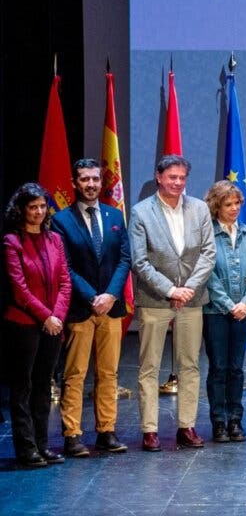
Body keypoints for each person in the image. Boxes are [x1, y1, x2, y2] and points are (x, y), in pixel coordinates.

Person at [129, 155, 216, 451]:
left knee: (189, 364)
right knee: (149, 366)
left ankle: (186, 426)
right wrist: (170, 289)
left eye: (182, 178)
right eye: (172, 178)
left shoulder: (200, 208)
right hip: (155, 298)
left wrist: (188, 288)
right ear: (159, 177)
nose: (177, 183)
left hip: (191, 299)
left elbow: (208, 253)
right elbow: (140, 262)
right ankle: (150, 430)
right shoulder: (141, 212)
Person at [49, 159, 131, 457]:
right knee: (75, 373)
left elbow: (124, 259)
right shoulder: (60, 220)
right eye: (85, 179)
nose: (91, 184)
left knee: (108, 373)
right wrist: (92, 297)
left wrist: (109, 295)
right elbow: (65, 266)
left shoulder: (114, 215)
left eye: (95, 179)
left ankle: (106, 432)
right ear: (75, 183)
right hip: (81, 309)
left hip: (110, 308)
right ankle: (72, 435)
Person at [3, 183, 71, 467]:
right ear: (21, 210)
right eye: (33, 207)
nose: (39, 212)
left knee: (45, 385)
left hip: (53, 325)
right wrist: (47, 317)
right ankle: (26, 448)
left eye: (43, 206)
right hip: (24, 325)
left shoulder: (55, 239)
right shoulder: (11, 241)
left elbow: (65, 282)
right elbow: (19, 290)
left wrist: (56, 317)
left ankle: (43, 445)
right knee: (23, 387)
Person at [201, 180, 246, 444]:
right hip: (216, 312)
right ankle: (218, 422)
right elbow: (208, 275)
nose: (235, 208)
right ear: (217, 206)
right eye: (229, 204)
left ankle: (235, 420)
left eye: (237, 203)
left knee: (236, 368)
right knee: (219, 367)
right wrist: (229, 304)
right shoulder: (208, 236)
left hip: (243, 311)